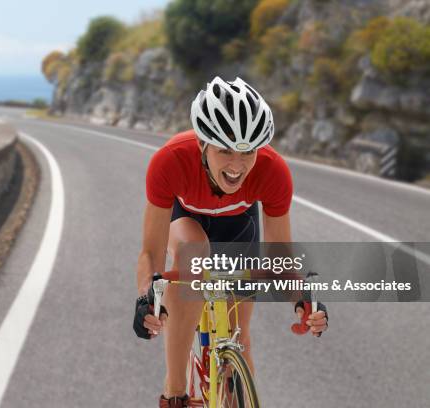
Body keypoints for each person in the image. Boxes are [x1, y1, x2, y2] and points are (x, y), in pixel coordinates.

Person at [133, 77, 328, 407]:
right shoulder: (170, 161)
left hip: (239, 227)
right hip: (188, 221)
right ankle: (176, 389)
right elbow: (151, 252)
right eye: (224, 150)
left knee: (240, 338)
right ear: (201, 145)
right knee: (194, 256)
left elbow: (280, 255)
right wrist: (146, 298)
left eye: (247, 151)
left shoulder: (272, 171)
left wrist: (304, 300)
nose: (237, 166)